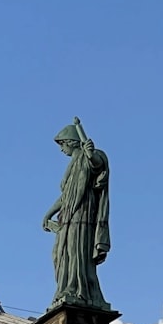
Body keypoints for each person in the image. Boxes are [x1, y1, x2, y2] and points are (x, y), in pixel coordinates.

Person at [42, 117, 112, 310]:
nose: (61, 149)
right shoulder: (72, 165)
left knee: (76, 252)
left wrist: (91, 155)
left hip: (82, 214)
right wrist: (48, 214)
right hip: (67, 216)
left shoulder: (90, 156)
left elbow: (99, 166)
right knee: (59, 254)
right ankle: (66, 288)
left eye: (62, 144)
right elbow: (65, 196)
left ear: (72, 142)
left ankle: (78, 290)